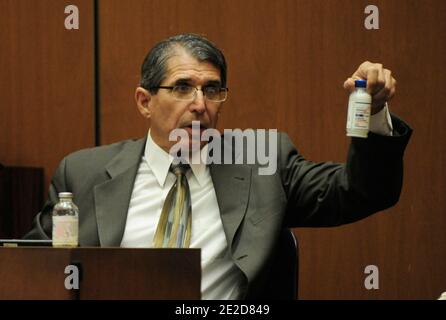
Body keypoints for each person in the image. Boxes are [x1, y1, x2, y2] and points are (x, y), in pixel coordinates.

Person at [24, 33, 412, 299]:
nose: (199, 103)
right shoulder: (83, 173)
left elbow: (363, 191)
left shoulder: (263, 162)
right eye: (181, 88)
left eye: (212, 89)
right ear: (144, 101)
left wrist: (374, 113)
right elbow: (30, 273)